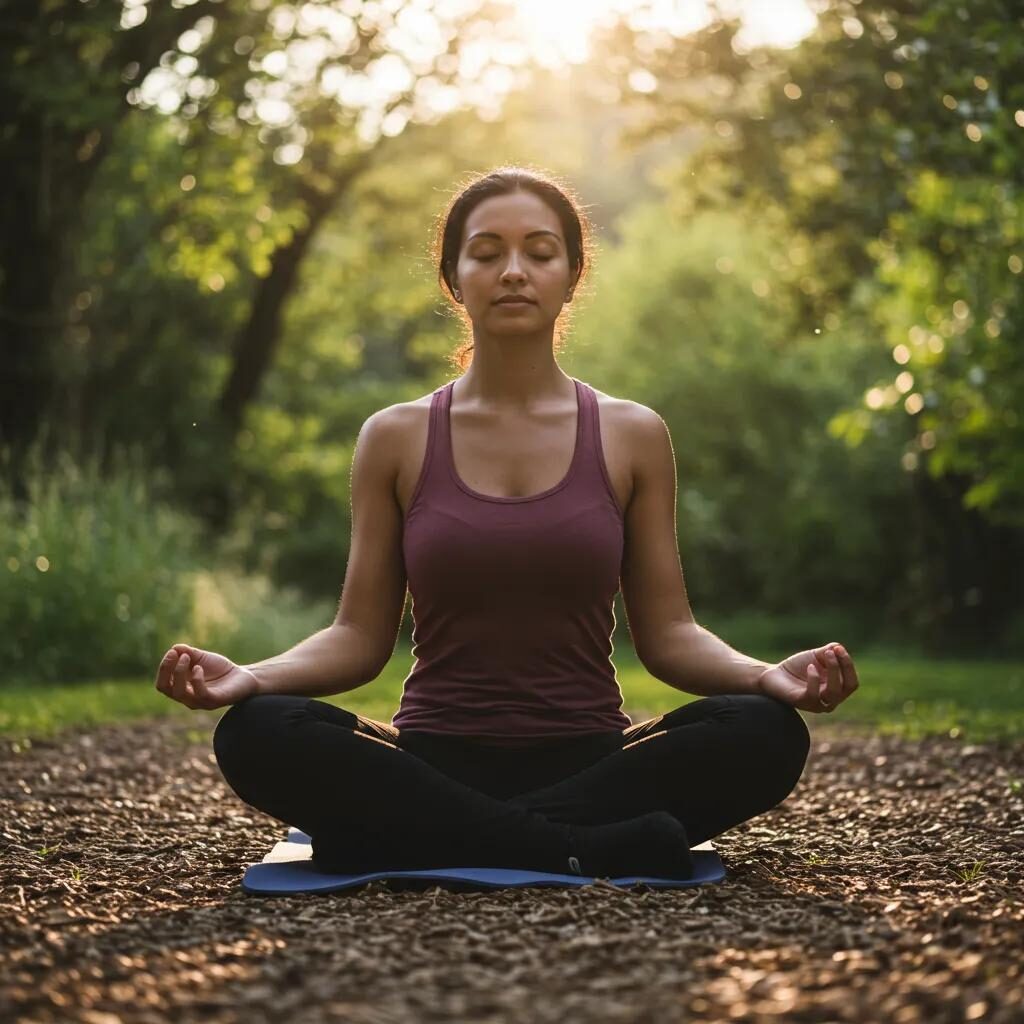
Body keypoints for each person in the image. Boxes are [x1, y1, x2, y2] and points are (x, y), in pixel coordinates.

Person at [155, 166, 859, 881]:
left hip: (591, 763)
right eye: (487, 253)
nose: (513, 271)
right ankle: (579, 846)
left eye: (540, 252)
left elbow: (670, 637)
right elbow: (357, 639)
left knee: (764, 731)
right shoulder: (394, 437)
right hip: (433, 759)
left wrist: (768, 675)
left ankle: (419, 839)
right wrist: (250, 676)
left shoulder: (633, 434)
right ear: (454, 278)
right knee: (259, 730)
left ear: (572, 274)